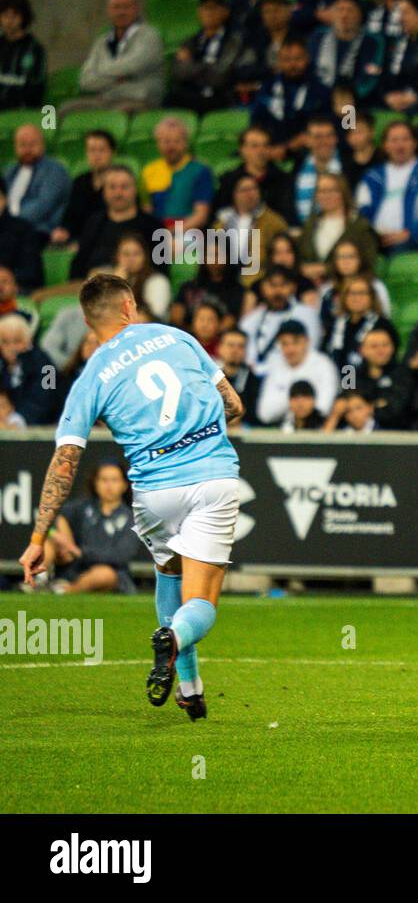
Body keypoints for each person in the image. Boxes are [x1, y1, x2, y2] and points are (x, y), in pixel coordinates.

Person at [19, 273, 243, 721]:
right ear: (128, 307)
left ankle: (191, 688)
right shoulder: (176, 337)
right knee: (200, 602)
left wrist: (39, 536)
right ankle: (174, 638)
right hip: (211, 476)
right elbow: (233, 406)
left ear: (87, 320)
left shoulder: (92, 376)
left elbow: (65, 460)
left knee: (168, 572)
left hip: (154, 490)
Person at [29, 461, 143, 595]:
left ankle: (64, 592)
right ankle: (38, 581)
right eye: (104, 480)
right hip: (73, 568)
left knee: (104, 574)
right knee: (48, 542)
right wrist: (60, 536)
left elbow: (120, 556)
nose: (109, 485)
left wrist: (79, 552)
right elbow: (52, 518)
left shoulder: (132, 517)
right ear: (95, 483)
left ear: (124, 485)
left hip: (110, 574)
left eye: (114, 480)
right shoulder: (80, 508)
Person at [354, 121, 418, 254]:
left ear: (414, 143)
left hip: (415, 239)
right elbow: (362, 213)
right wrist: (373, 235)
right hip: (375, 239)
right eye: (394, 140)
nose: (400, 145)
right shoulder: (372, 176)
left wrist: (409, 234)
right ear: (385, 146)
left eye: (405, 139)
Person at [66, 0, 165, 113]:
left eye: (126, 7)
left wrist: (100, 70)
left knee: (116, 114)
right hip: (106, 99)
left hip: (140, 99)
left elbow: (133, 66)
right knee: (66, 109)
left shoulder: (150, 36)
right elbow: (85, 80)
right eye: (116, 7)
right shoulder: (101, 42)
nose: (121, 12)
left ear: (136, 9)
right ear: (109, 11)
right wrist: (119, 77)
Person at [167, 0, 243, 115]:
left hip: (220, 97)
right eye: (205, 8)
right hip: (191, 94)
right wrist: (207, 67)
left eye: (214, 8)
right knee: (171, 98)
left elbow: (222, 75)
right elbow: (178, 72)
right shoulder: (190, 41)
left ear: (225, 12)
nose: (209, 13)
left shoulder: (234, 41)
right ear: (199, 12)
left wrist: (193, 66)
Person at [256, 318, 340, 425]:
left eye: (295, 342)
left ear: (306, 341)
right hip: (284, 431)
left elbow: (324, 408)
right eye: (284, 344)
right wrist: (298, 399)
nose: (290, 349)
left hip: (317, 430)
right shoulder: (275, 364)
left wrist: (289, 401)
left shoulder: (324, 365)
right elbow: (264, 414)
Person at [4, 123, 70, 242]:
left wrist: (9, 222)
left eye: (32, 144)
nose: (27, 149)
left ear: (42, 145)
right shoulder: (10, 171)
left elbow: (42, 206)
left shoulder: (54, 170)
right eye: (22, 145)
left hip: (39, 229)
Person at [0, 312, 57, 425]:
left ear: (28, 341)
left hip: (42, 427)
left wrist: (16, 420)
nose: (11, 348)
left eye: (17, 341)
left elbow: (47, 398)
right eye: (5, 342)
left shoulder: (47, 366)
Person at [0, 0, 46, 110]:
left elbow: (37, 86)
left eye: (14, 16)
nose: (9, 21)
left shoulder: (35, 49)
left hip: (22, 111)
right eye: (5, 16)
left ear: (23, 18)